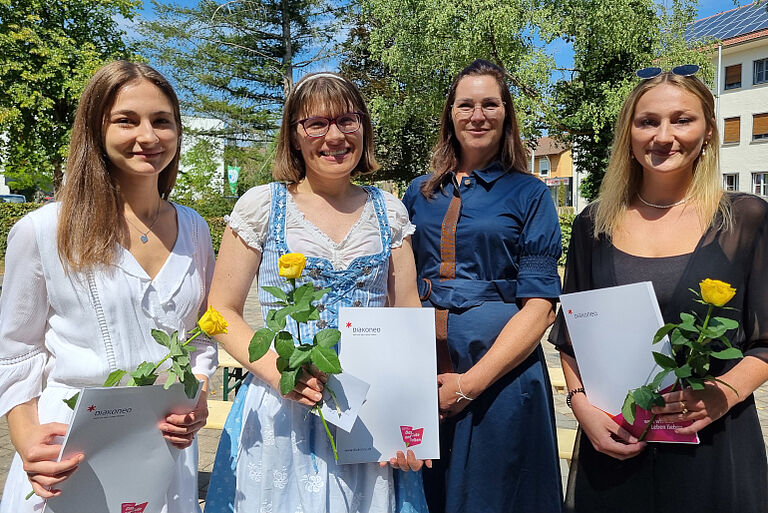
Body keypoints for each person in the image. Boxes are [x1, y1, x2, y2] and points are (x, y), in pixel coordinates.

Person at [204, 72, 428, 513]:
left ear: (364, 127)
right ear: (294, 134)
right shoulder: (262, 206)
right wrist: (278, 374)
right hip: (281, 410)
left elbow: (407, 311)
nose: (335, 136)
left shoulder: (390, 211)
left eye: (348, 120)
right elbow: (221, 310)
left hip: (369, 413)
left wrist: (411, 423)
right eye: (316, 123)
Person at [549, 66, 768, 512]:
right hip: (615, 446)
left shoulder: (745, 220)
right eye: (648, 121)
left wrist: (721, 395)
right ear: (628, 134)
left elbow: (765, 342)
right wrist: (581, 408)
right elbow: (572, 338)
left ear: (708, 131)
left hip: (711, 448)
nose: (663, 136)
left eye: (682, 120)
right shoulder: (595, 223)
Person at [0, 61, 217, 512]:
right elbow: (16, 349)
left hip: (166, 451)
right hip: (71, 450)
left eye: (162, 121)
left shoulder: (195, 229)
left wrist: (196, 396)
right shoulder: (42, 230)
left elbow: (199, 338)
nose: (148, 136)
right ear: (95, 130)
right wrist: (27, 440)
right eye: (126, 120)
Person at [402, 59, 563, 513]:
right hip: (423, 374)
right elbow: (397, 284)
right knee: (424, 495)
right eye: (466, 104)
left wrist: (469, 384)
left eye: (490, 104)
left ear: (506, 113)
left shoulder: (529, 194)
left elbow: (540, 306)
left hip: (501, 378)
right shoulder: (418, 193)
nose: (478, 115)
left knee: (497, 498)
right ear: (450, 114)